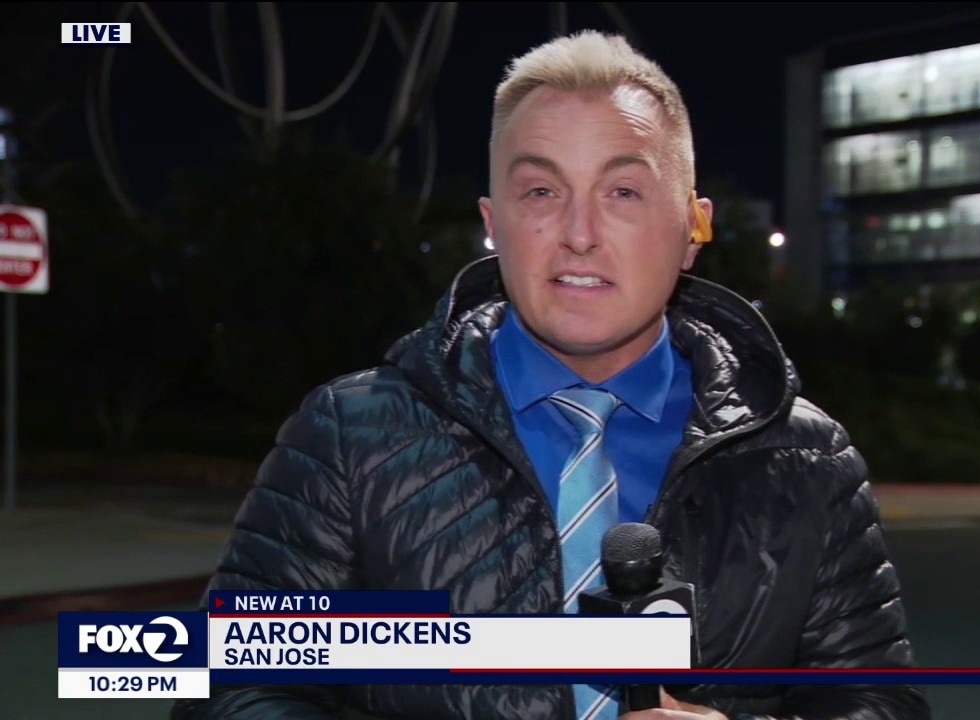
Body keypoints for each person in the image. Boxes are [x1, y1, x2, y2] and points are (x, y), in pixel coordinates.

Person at [173, 30, 930, 720]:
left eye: (623, 192)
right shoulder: (350, 436)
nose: (579, 234)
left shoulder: (807, 461)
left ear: (692, 228)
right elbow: (227, 688)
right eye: (541, 192)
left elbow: (879, 703)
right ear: (493, 224)